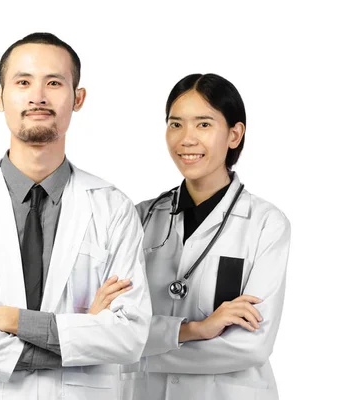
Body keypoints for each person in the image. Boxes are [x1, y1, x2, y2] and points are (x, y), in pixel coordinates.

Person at [0, 32, 152, 399]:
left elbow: (129, 337)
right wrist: (76, 335)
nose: (38, 96)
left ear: (78, 98)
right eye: (23, 82)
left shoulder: (113, 208)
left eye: (54, 83)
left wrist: (10, 320)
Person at [135, 73, 290, 400]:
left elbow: (251, 347)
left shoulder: (265, 224)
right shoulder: (139, 217)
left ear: (235, 134)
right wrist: (196, 331)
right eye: (176, 124)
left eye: (203, 125)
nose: (186, 139)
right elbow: (107, 325)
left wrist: (137, 353)